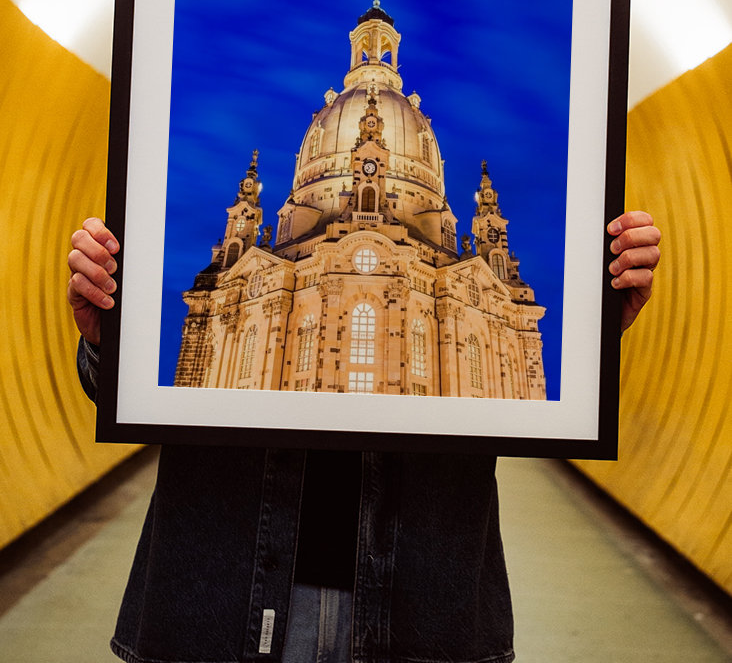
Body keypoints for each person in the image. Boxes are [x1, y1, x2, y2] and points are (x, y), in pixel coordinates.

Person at [68, 211, 661, 663]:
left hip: (419, 599)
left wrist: (594, 340)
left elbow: (537, 402)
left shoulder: (470, 286)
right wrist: (107, 342)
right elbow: (137, 396)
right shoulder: (251, 276)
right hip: (229, 592)